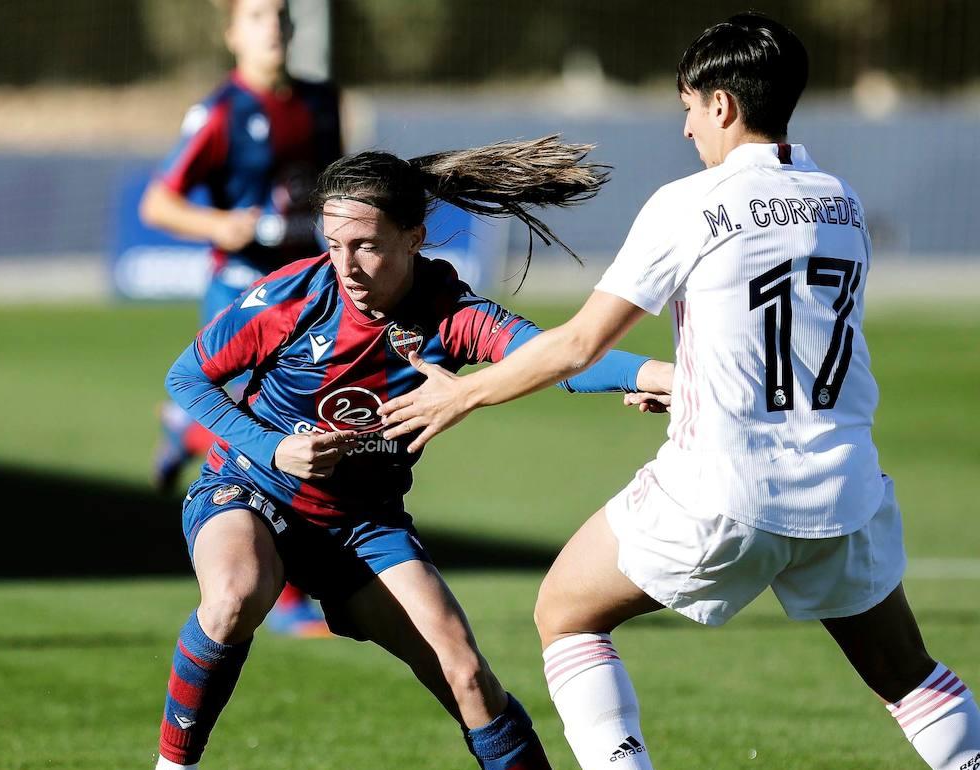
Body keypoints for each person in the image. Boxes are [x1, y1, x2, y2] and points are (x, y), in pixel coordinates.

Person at [379, 14, 980, 770]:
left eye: (691, 106)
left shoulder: (689, 204)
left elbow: (576, 344)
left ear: (724, 105)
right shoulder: (842, 201)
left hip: (724, 487)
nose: (689, 127)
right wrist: (695, 385)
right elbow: (794, 341)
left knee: (565, 614)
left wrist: (459, 397)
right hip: (843, 489)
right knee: (908, 676)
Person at [152, 136, 674, 770]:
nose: (345, 265)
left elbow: (557, 357)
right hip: (251, 492)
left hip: (362, 523)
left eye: (367, 246)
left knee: (468, 677)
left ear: (414, 237)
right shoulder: (292, 297)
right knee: (236, 594)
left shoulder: (449, 313)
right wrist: (273, 446)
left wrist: (661, 377)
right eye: (334, 243)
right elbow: (186, 377)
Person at [141, 0, 343, 636]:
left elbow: (332, 183)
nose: (273, 26)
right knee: (255, 439)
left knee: (309, 422)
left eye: (280, 15)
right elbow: (158, 203)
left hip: (307, 289)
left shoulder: (320, 100)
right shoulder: (222, 111)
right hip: (241, 292)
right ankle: (281, 597)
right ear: (232, 32)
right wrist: (219, 224)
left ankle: (183, 428)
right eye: (256, 15)